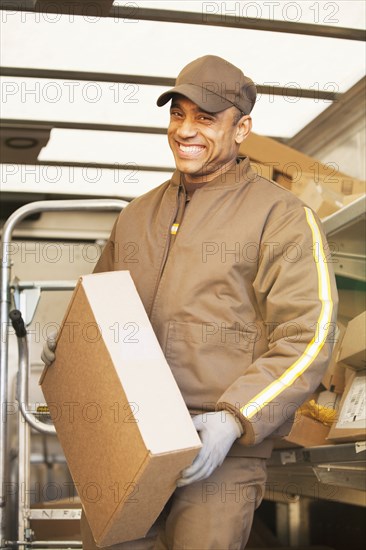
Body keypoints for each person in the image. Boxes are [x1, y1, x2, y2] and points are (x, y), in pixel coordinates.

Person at [42, 55, 338, 549]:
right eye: (177, 114)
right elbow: (104, 313)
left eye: (205, 117)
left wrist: (233, 418)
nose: (185, 130)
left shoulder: (281, 216)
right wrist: (72, 342)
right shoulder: (136, 216)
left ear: (242, 128)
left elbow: (311, 334)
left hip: (217, 449)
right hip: (127, 439)